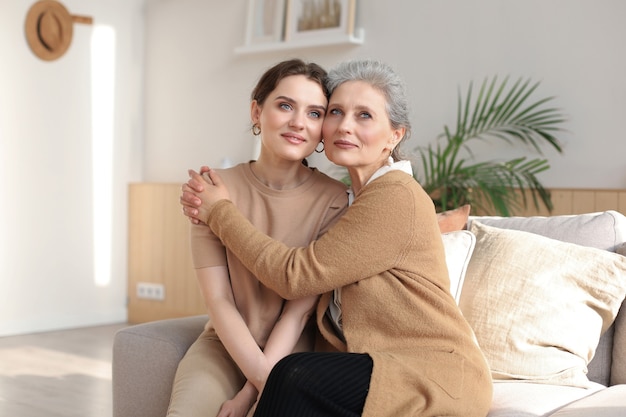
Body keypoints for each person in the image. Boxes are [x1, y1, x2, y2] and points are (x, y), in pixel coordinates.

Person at [181, 59, 493, 417]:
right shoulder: (351, 202)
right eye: (335, 112)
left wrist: (219, 212)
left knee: (295, 375)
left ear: (395, 135)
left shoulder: (396, 195)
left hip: (434, 372)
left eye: (364, 116)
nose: (345, 126)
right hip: (381, 366)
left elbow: (295, 277)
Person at [167, 59, 349, 417]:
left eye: (314, 113)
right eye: (285, 106)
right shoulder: (212, 190)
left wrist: (254, 391)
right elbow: (219, 300)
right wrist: (265, 382)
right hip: (223, 346)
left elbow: (298, 314)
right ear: (256, 110)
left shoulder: (334, 200)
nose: (298, 122)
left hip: (293, 354)